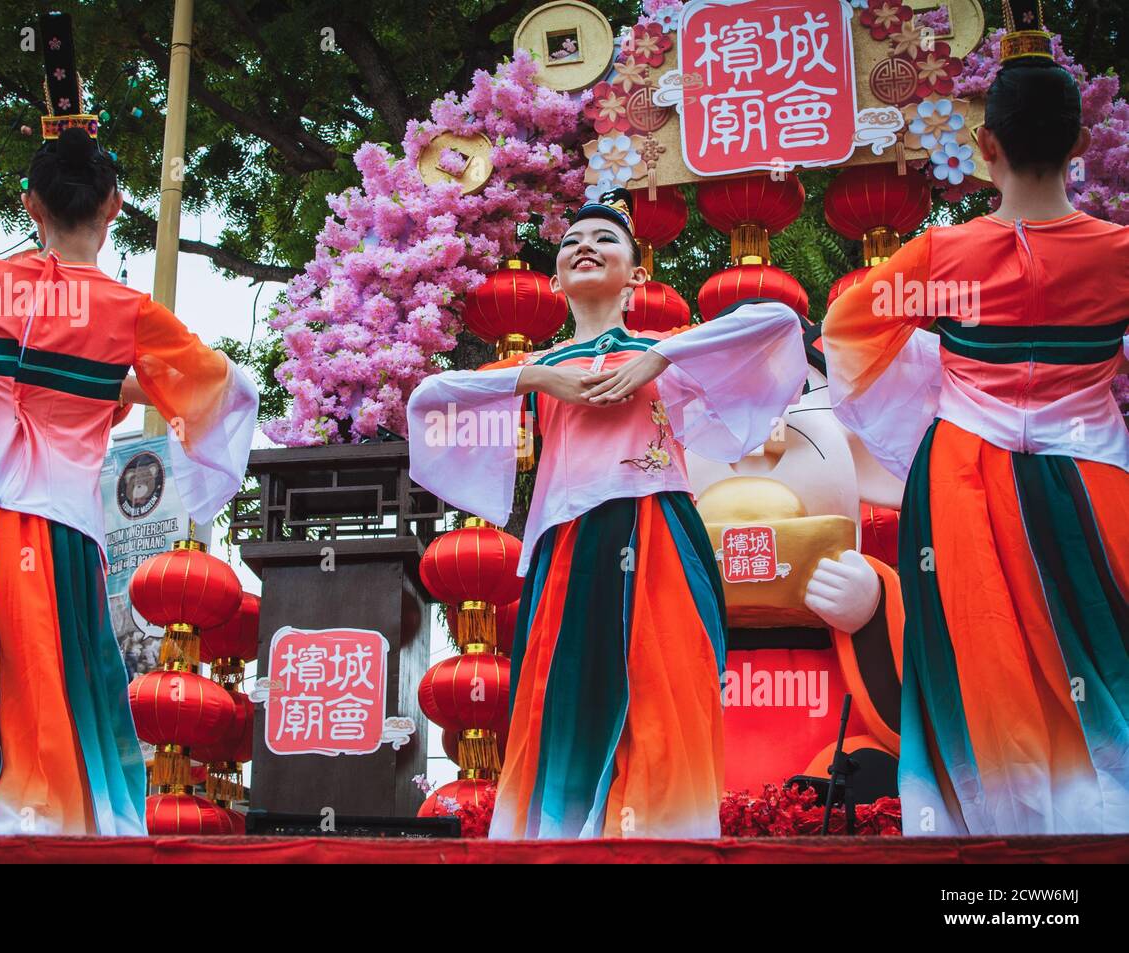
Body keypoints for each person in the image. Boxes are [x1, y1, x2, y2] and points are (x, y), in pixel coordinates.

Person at [0, 125, 259, 836]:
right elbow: (223, 389)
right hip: (52, 527)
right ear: (115, 206)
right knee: (43, 689)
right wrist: (118, 386)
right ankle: (21, 826)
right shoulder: (130, 314)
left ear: (31, 205)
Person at [408, 189, 807, 838]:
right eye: (571, 243)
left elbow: (779, 326)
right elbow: (430, 399)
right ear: (560, 275)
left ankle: (668, 839)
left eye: (604, 239)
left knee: (668, 693)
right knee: (566, 706)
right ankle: (563, 843)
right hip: (571, 544)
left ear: (637, 274)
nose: (584, 247)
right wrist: (539, 380)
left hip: (659, 532)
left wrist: (658, 356)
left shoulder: (666, 352)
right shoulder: (539, 364)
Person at [822, 0, 1129, 835]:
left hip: (964, 477)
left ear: (986, 143)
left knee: (978, 653)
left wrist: (951, 378)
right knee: (1102, 648)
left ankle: (987, 831)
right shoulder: (1118, 254)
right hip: (1093, 476)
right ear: (1076, 143)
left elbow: (849, 335)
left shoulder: (944, 257)